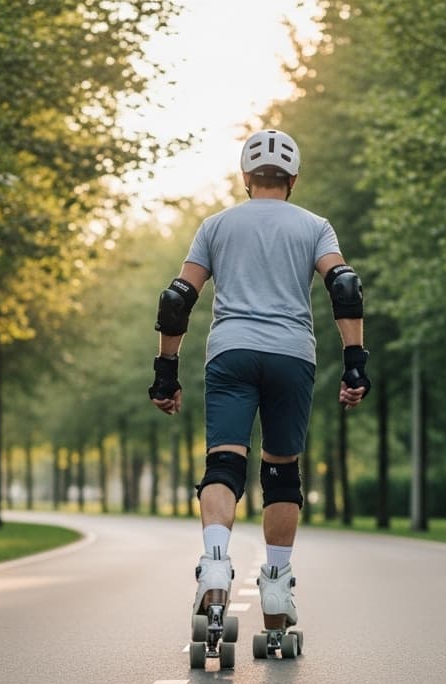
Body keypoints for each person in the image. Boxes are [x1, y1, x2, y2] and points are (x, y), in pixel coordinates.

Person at [149, 128, 370, 651]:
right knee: (282, 472)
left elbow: (177, 299)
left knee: (224, 464)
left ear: (246, 178)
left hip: (230, 351)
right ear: (293, 179)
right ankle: (275, 589)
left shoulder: (216, 225)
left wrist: (166, 370)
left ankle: (216, 568)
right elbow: (344, 287)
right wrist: (355, 362)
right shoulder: (316, 226)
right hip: (293, 355)